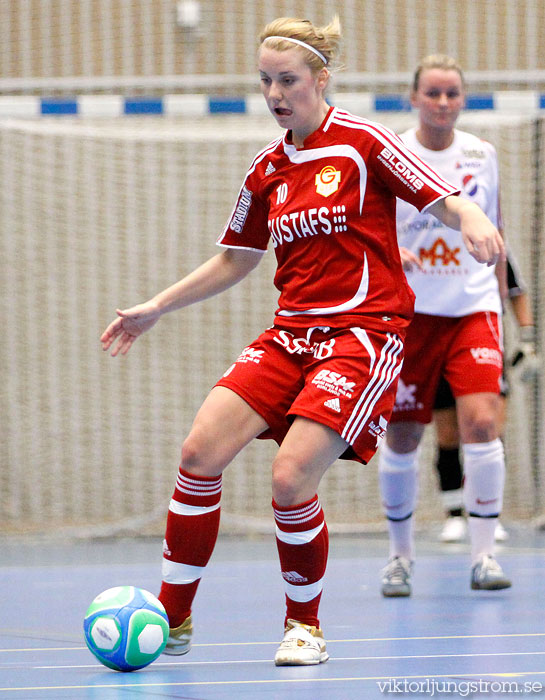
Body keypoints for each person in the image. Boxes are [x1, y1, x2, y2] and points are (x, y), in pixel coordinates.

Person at [101, 22, 503, 666]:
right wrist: (157, 306)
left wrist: (473, 214)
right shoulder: (268, 166)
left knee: (290, 478)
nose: (275, 93)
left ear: (320, 80)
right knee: (199, 452)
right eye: (265, 80)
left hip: (363, 335)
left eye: (287, 80)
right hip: (291, 334)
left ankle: (304, 625)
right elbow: (235, 259)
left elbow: (440, 197)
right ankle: (170, 620)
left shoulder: (362, 142)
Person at [378, 54, 511, 597]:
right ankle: (399, 557)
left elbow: (495, 229)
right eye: (432, 93)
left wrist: (503, 304)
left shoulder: (482, 155)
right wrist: (393, 257)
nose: (442, 102)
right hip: (410, 316)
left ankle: (483, 556)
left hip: (472, 308)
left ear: (463, 99)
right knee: (404, 433)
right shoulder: (392, 154)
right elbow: (372, 226)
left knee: (481, 423)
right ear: (414, 98)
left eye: (452, 93)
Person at [436, 252, 539, 543]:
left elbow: (516, 293)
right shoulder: (429, 244)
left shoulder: (493, 246)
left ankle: (488, 513)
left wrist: (528, 341)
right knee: (447, 435)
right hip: (439, 346)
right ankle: (454, 514)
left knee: (488, 429)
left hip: (483, 343)